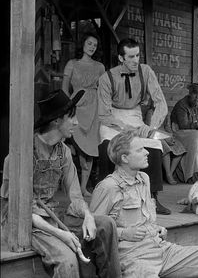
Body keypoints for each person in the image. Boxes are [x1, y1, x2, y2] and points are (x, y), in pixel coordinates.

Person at [0, 90, 121, 278]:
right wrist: (61, 234)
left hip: (52, 215)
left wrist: (88, 215)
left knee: (106, 224)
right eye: (72, 118)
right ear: (57, 120)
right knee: (67, 258)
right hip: (23, 223)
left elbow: (75, 196)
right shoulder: (21, 153)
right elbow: (22, 211)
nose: (77, 123)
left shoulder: (63, 151)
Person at [90, 130, 198, 278]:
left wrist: (156, 228)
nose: (147, 152)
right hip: (134, 258)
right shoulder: (108, 187)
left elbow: (144, 219)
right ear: (124, 158)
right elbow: (93, 229)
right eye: (140, 149)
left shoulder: (144, 179)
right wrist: (124, 233)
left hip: (161, 249)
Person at [97, 38, 170, 215]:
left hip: (135, 114)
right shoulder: (107, 78)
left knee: (154, 144)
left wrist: (151, 127)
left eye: (137, 55)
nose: (135, 60)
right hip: (114, 118)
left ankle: (152, 197)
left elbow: (161, 103)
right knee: (109, 144)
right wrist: (126, 129)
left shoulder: (146, 72)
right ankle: (108, 195)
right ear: (121, 58)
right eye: (130, 57)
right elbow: (104, 113)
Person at [62, 32, 105, 197]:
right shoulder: (72, 64)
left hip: (94, 108)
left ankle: (83, 187)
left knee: (91, 146)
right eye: (89, 43)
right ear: (83, 44)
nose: (92, 47)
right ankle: (69, 184)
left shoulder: (100, 67)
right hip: (76, 106)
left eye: (95, 44)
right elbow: (65, 88)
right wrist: (68, 106)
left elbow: (104, 90)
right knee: (76, 146)